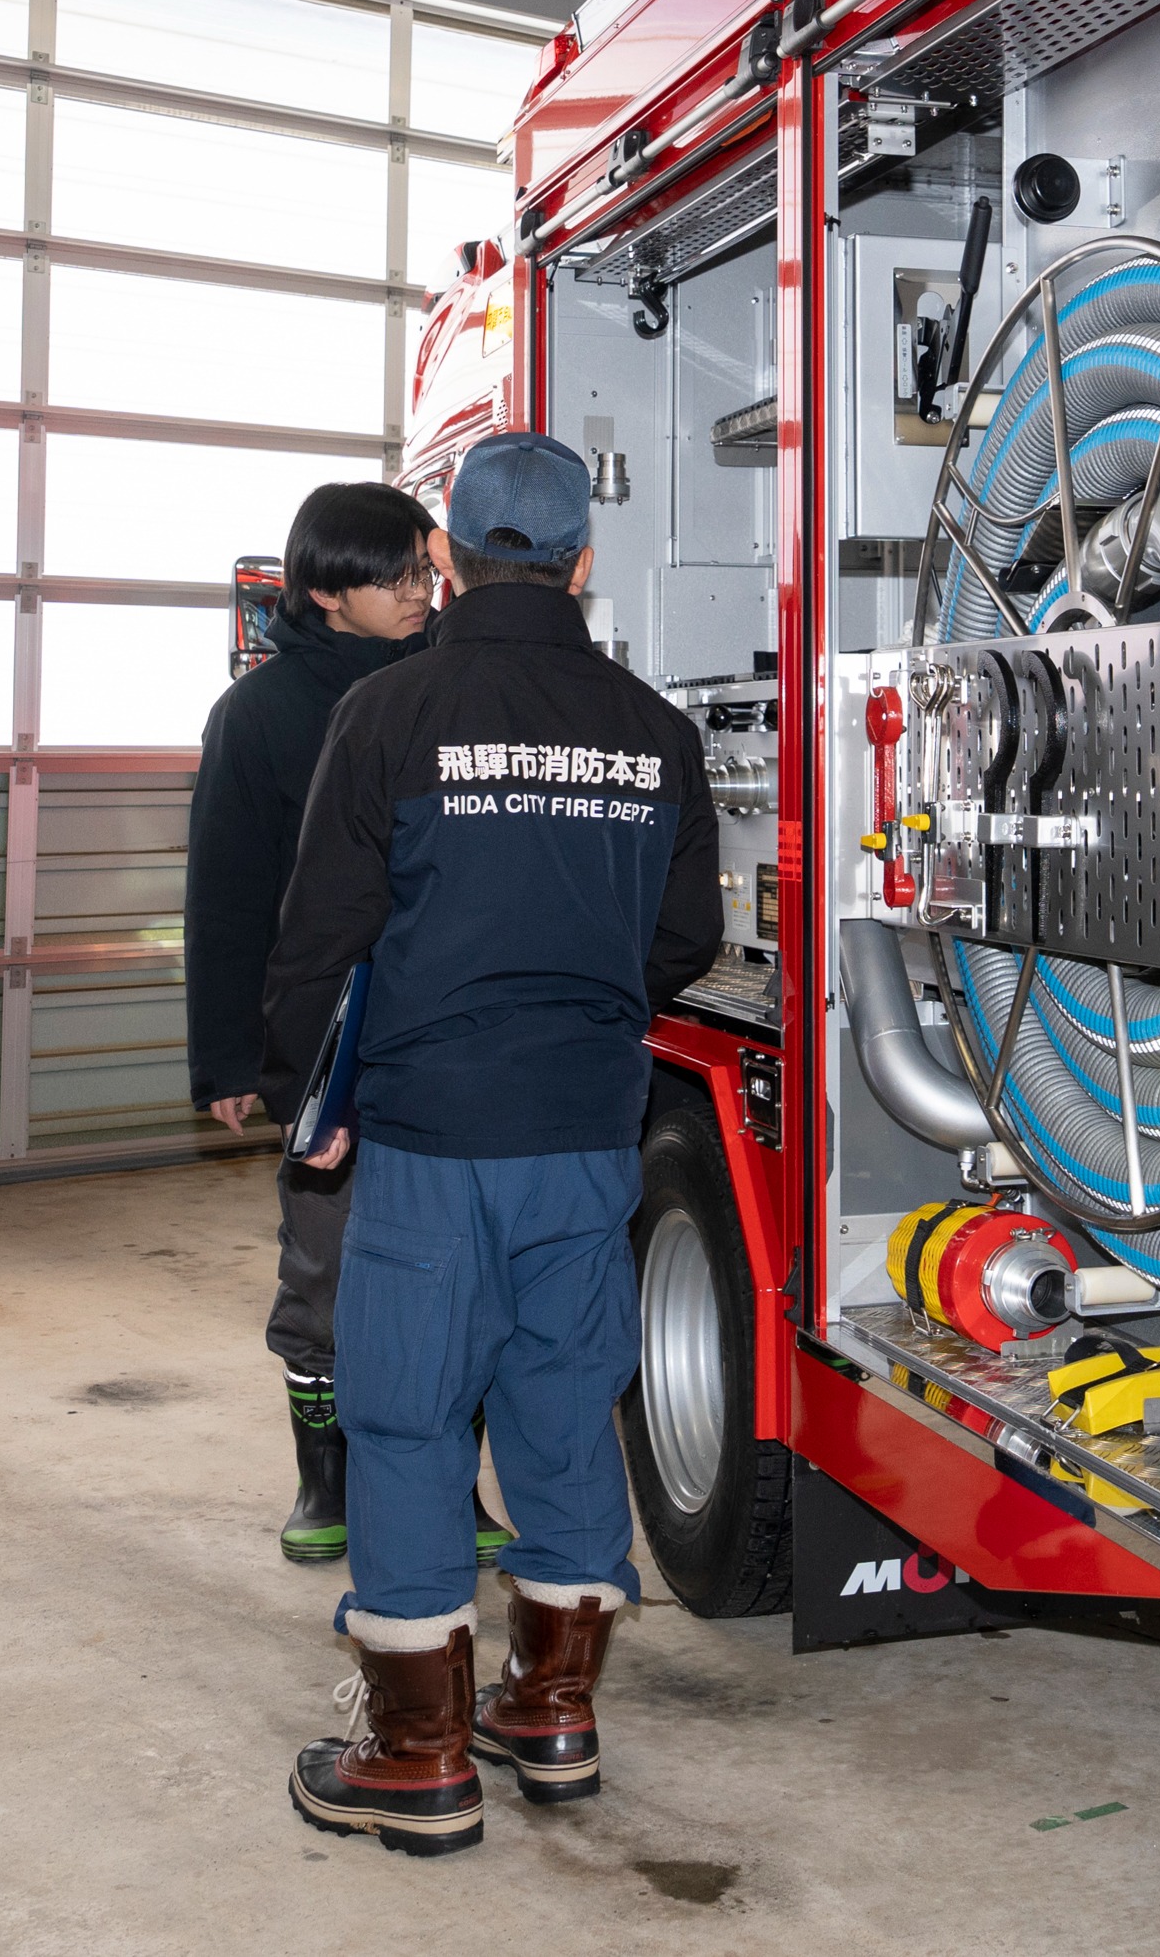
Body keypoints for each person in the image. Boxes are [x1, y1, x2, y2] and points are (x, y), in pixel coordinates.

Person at [264, 431, 720, 1856]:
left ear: (448, 555)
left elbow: (322, 931)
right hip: (583, 1129)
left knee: (407, 1411)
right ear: (583, 559)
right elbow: (685, 940)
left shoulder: (394, 713)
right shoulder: (655, 730)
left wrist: (307, 1102)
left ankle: (416, 1752)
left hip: (429, 1129)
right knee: (562, 1403)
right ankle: (554, 1712)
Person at [186, 481, 512, 1566]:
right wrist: (231, 1057)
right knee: (324, 1275)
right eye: (403, 576)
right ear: (329, 594)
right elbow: (226, 899)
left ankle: (450, 1488)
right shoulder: (259, 716)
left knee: (455, 1282)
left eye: (431, 569)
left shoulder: (451, 695)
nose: (427, 591)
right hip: (326, 1044)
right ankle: (321, 1480)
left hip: (447, 1040)